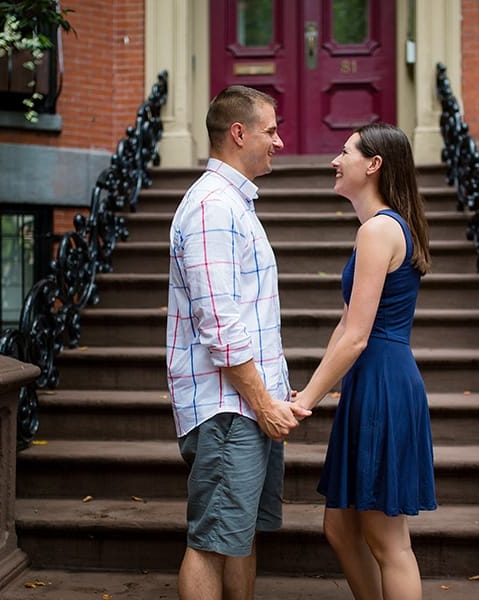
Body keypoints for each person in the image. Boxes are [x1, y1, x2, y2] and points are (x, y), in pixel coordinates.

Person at [165, 85, 311, 600]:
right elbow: (220, 323)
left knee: (239, 534)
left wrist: (275, 392)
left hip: (248, 403)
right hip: (230, 409)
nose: (280, 141)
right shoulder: (211, 207)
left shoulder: (234, 204)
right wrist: (263, 402)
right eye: (271, 130)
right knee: (211, 540)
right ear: (238, 133)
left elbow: (247, 316)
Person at [293, 123, 437, 600]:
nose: (335, 160)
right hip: (371, 384)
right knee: (340, 527)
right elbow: (345, 326)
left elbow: (356, 338)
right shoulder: (376, 228)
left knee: (388, 540)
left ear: (373, 164)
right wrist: (309, 389)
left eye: (344, 151)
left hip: (383, 385)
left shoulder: (380, 229)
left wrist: (304, 404)